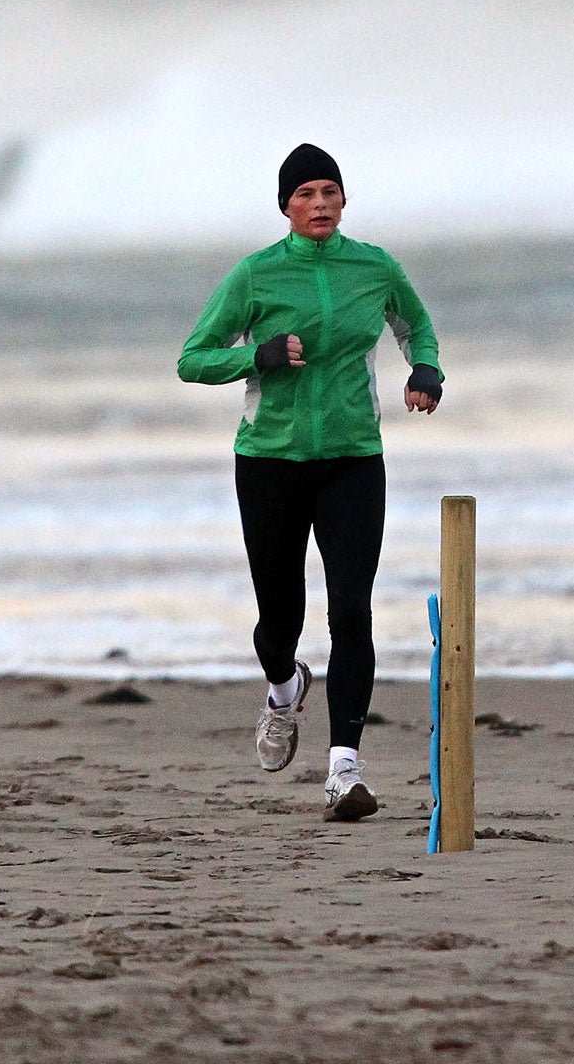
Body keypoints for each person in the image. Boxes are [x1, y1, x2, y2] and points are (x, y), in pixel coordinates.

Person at [177, 143, 443, 822]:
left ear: (344, 200)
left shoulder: (374, 266)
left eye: (330, 191)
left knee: (352, 611)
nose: (320, 203)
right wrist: (255, 356)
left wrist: (425, 372)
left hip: (353, 457)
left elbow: (417, 328)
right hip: (269, 461)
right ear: (285, 207)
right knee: (279, 621)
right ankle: (282, 687)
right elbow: (192, 359)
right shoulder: (256, 275)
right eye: (306, 194)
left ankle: (343, 770)